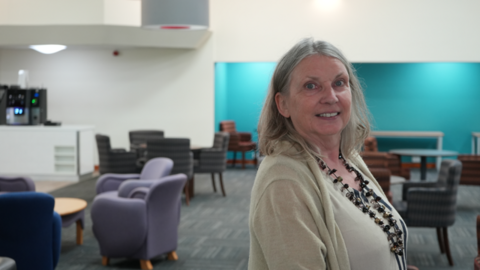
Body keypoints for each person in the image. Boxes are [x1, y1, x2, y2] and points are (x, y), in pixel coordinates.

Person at [248, 38, 408, 270]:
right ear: (283, 104)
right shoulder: (283, 181)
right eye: (311, 86)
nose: (331, 97)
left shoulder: (349, 157)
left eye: (339, 83)